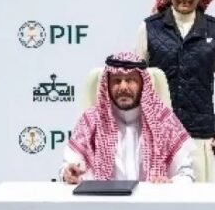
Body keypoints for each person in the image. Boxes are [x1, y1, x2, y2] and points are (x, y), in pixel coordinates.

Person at [134, 0, 215, 182]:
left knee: (200, 203)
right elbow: (137, 83)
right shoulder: (149, 28)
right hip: (157, 135)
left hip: (200, 136)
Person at [61, 53, 194, 184]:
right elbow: (69, 166)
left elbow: (186, 174)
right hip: (104, 197)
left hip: (151, 197)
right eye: (116, 81)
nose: (123, 87)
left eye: (131, 80)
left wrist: (169, 183)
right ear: (107, 85)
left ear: (143, 84)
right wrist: (68, 172)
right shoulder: (91, 121)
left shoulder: (164, 121)